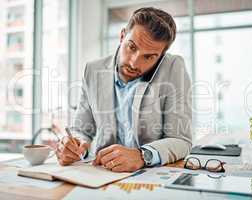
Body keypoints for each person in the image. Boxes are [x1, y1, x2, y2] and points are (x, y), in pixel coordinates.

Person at [56, 7, 192, 172]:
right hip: (101, 172)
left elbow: (181, 140)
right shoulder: (93, 70)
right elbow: (82, 130)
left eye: (149, 57)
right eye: (132, 47)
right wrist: (75, 146)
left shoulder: (173, 68)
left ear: (161, 56)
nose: (134, 63)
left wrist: (142, 156)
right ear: (122, 37)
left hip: (149, 175)